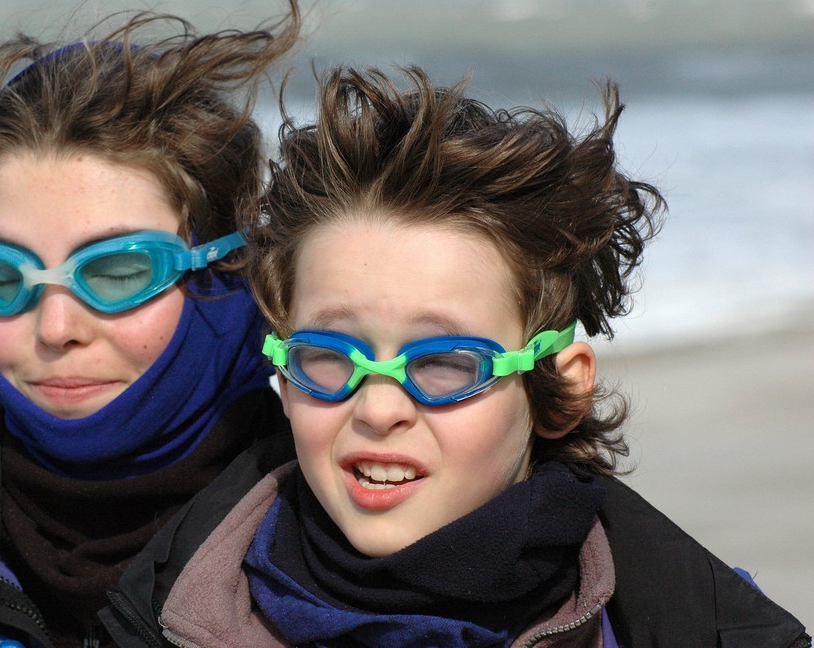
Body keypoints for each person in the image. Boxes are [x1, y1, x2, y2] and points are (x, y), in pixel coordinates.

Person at [148, 66, 811, 646]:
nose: (378, 408)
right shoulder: (153, 611)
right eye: (330, 355)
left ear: (558, 386)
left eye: (445, 362)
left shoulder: (707, 624)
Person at [0, 0, 301, 647]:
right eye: (0, 275)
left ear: (232, 272)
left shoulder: (349, 582)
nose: (54, 328)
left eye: (119, 271)